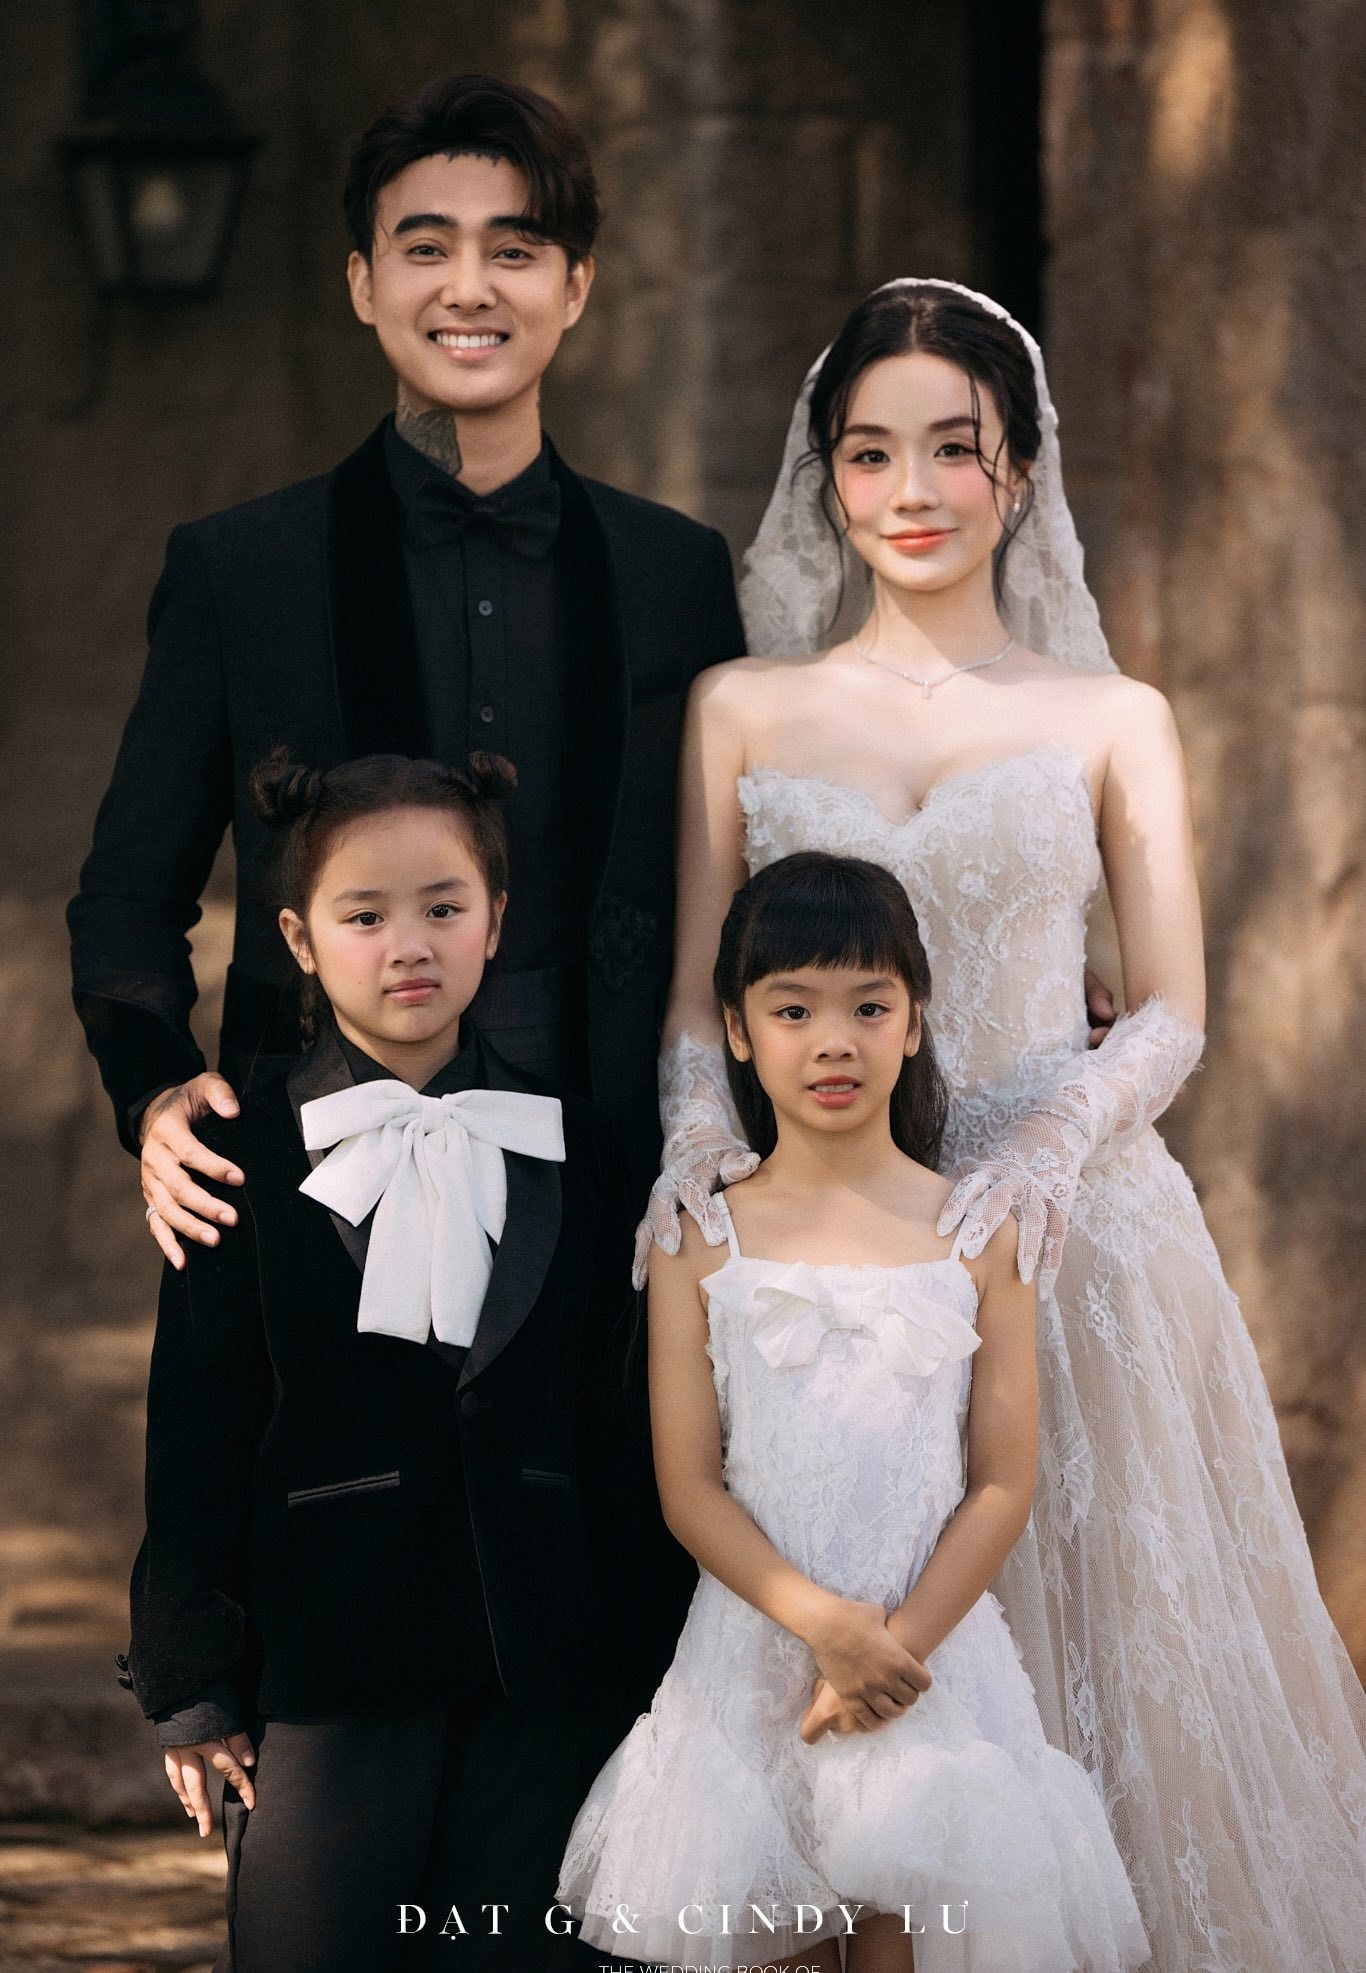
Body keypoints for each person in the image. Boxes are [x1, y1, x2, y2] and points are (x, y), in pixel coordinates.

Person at [637, 279, 1366, 1970]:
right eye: (869, 450)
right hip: (836, 1256)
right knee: (858, 1693)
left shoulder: (1112, 718)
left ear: (1019, 471)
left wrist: (1047, 1141)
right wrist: (693, 1146)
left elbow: (1171, 1004)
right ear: (825, 476)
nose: (911, 488)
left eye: (952, 448)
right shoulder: (740, 706)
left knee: (1101, 1672)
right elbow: (693, 996)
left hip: (1066, 1227)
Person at [67, 72, 745, 1260]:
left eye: (514, 250)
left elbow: (752, 873)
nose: (468, 287)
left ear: (575, 285)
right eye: (426, 247)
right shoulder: (241, 568)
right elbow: (129, 894)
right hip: (301, 1189)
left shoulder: (674, 572)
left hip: (608, 1198)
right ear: (362, 282)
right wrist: (156, 1085)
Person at [125, 749, 676, 1972]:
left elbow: (618, 1420)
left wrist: (656, 1660)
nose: (409, 944)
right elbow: (198, 1420)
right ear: (299, 939)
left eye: (443, 906)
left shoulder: (585, 1148)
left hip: (547, 1666)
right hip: (328, 1657)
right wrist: (191, 1677)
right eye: (364, 916)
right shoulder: (235, 1156)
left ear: (496, 920)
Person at [559, 853, 1148, 1973]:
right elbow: (688, 1484)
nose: (834, 1040)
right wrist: (824, 1625)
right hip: (749, 1667)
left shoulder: (981, 1231)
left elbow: (1002, 1481)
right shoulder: (698, 1238)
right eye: (794, 1010)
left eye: (868, 1007)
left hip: (931, 1672)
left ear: (914, 1022)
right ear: (738, 1031)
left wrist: (889, 1650)